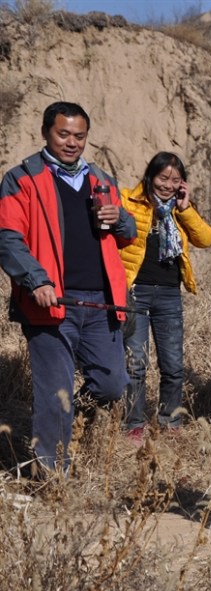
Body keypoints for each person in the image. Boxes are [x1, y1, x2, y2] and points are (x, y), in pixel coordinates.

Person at [0, 101, 136, 474]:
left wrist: (120, 218)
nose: (72, 142)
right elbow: (8, 239)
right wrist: (36, 280)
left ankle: (69, 424)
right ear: (46, 132)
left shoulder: (102, 180)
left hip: (101, 303)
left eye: (79, 136)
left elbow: (128, 235)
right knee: (54, 393)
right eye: (64, 134)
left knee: (112, 384)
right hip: (50, 302)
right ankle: (50, 472)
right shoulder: (21, 178)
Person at [118, 152, 211, 442]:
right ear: (150, 176)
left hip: (169, 295)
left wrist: (185, 207)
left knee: (173, 364)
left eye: (175, 180)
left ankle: (169, 421)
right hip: (135, 292)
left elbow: (206, 239)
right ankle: (133, 423)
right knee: (136, 363)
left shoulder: (179, 210)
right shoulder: (128, 201)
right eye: (163, 178)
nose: (168, 185)